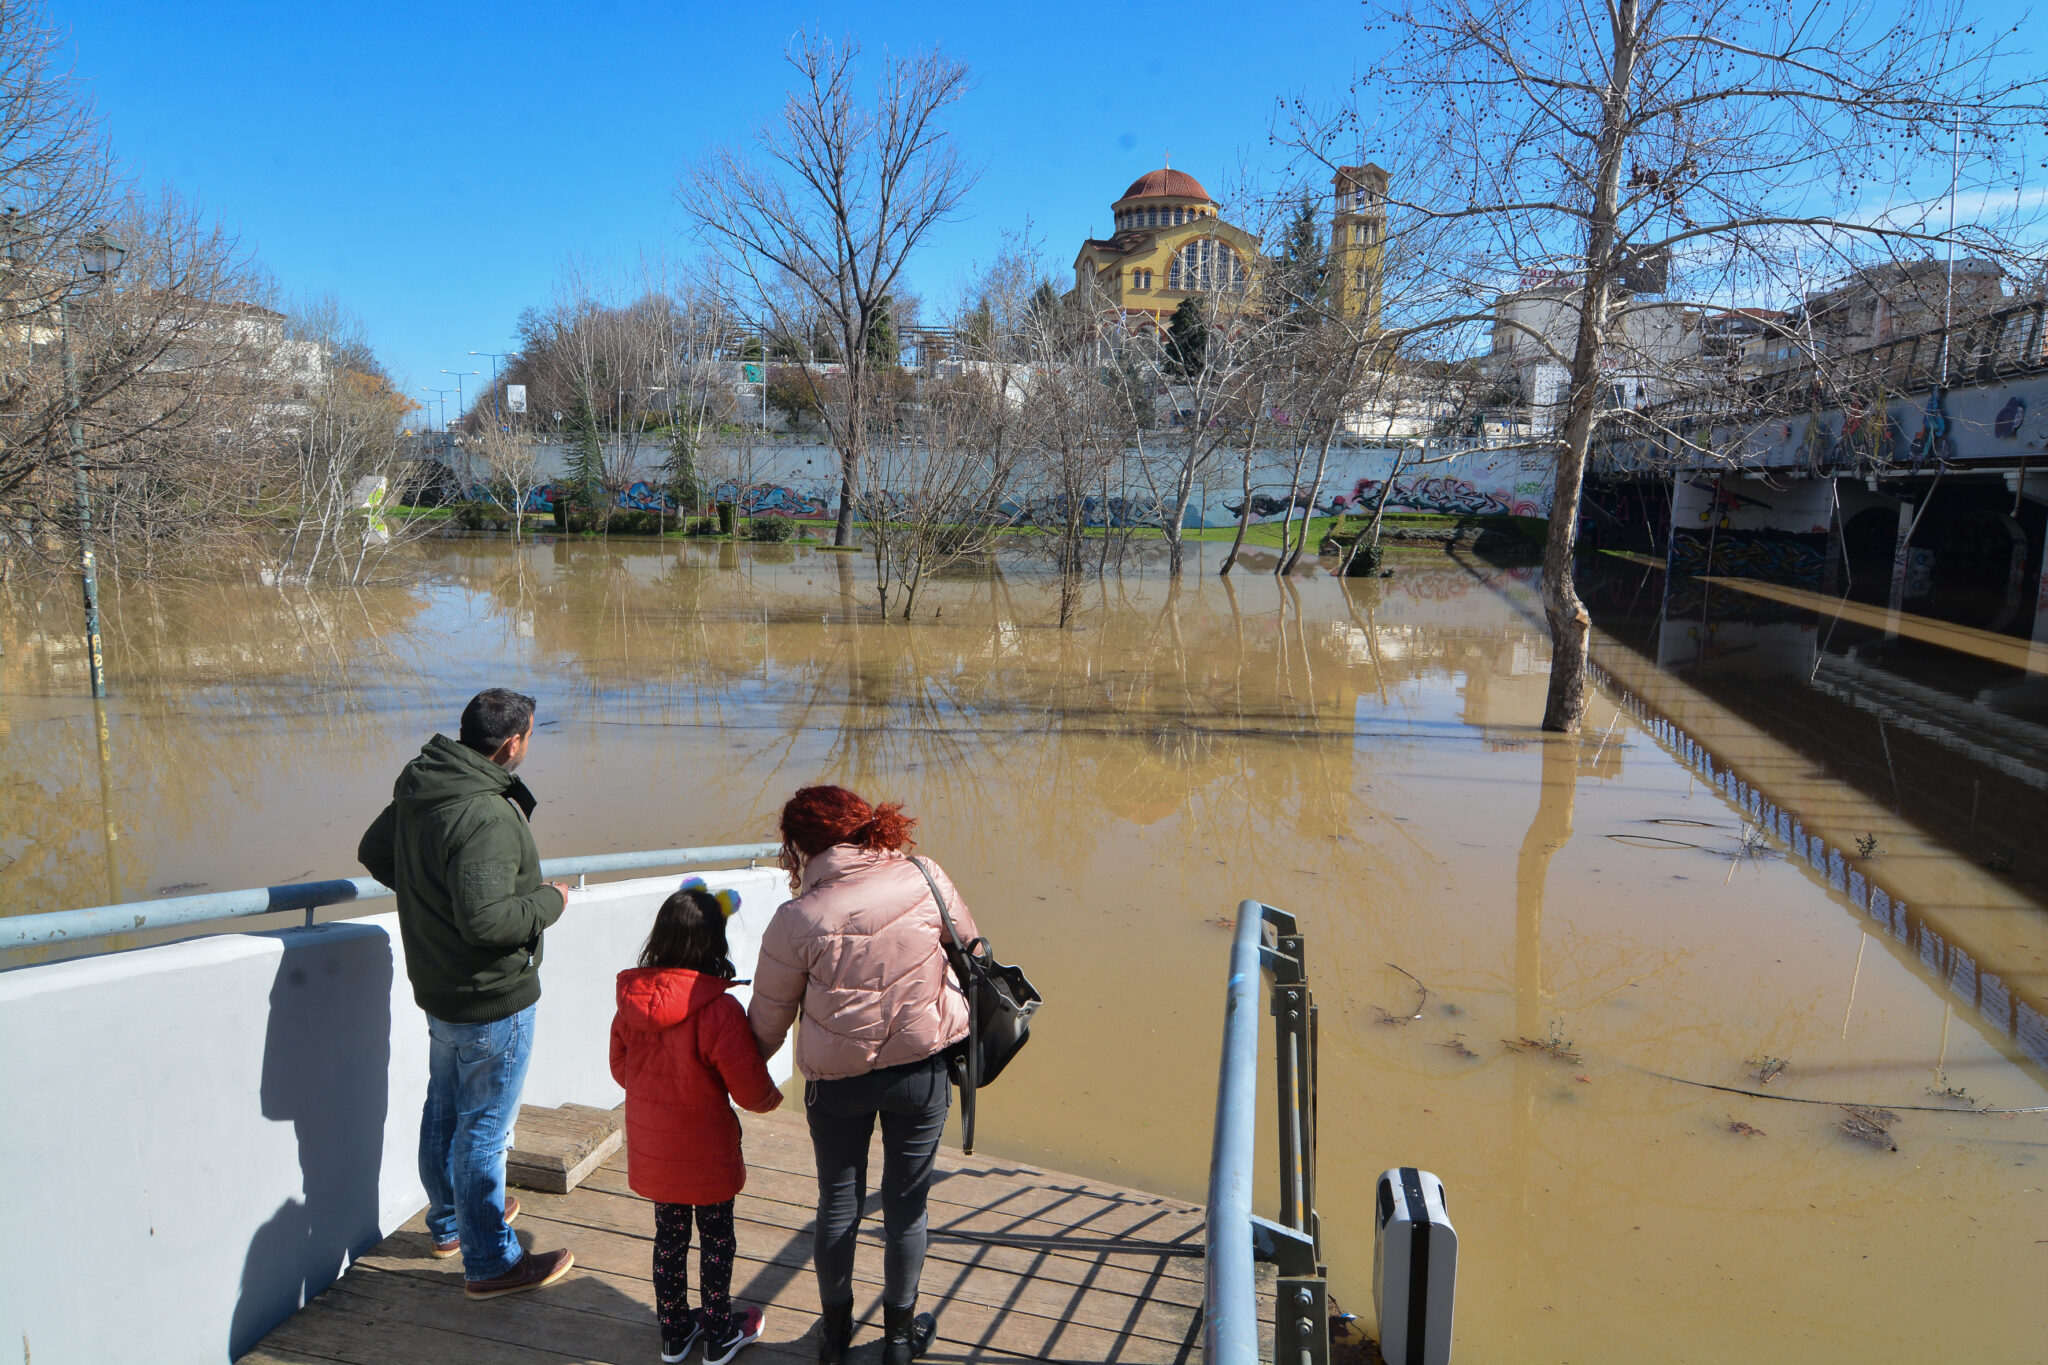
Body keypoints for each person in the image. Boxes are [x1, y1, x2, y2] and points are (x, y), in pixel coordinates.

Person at [357, 687, 576, 1301]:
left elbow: (375, 852)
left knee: (445, 1109)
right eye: (531, 735)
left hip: (439, 984)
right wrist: (551, 901)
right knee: (482, 1129)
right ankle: (491, 1261)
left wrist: (431, 895)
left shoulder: (426, 781)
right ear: (513, 743)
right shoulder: (483, 812)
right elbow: (488, 922)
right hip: (491, 997)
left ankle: (452, 1224)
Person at [748, 785, 978, 1365]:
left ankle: (834, 1335)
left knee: (838, 1205)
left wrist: (739, 1076)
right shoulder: (924, 876)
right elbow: (972, 948)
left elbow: (767, 1023)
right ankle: (900, 1338)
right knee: (908, 1208)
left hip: (838, 1084)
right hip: (921, 1073)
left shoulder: (796, 917)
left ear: (800, 846)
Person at [611, 880, 784, 1364]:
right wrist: (772, 1099)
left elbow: (622, 1070)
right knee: (716, 1240)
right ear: (714, 942)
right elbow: (749, 1089)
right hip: (706, 1155)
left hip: (657, 1153)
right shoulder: (719, 1009)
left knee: (668, 1238)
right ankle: (719, 1334)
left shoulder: (631, 1003)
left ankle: (673, 1332)